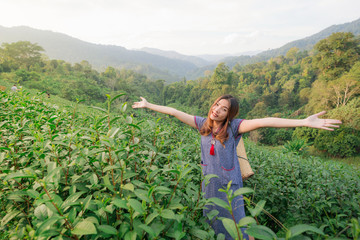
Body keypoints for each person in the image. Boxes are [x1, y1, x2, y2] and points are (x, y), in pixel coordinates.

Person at [132, 95, 342, 239]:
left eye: (224, 109)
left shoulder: (234, 128)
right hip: (209, 186)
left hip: (230, 187)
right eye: (216, 105)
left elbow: (264, 121)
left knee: (239, 223)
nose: (217, 110)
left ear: (229, 114)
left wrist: (303, 122)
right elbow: (175, 111)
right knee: (214, 223)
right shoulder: (202, 124)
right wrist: (149, 105)